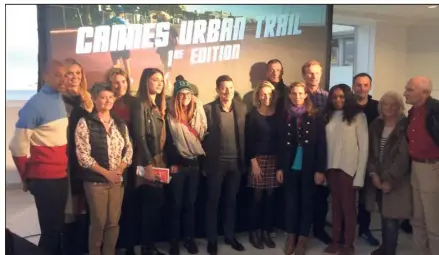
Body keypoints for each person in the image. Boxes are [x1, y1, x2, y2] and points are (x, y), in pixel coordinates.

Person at [9, 60, 69, 255]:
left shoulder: (58, 98)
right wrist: (26, 177)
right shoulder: (35, 105)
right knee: (51, 231)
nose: (62, 79)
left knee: (57, 227)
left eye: (64, 74)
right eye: (57, 75)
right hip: (45, 179)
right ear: (45, 76)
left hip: (59, 176)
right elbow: (17, 146)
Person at [75, 83, 133, 255]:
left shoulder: (120, 123)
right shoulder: (85, 123)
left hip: (117, 180)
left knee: (113, 222)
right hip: (96, 182)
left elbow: (128, 149)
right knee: (99, 222)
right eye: (103, 97)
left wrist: (120, 170)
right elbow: (83, 156)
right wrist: (107, 173)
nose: (107, 100)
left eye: (110, 97)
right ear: (94, 99)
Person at [276, 82, 327, 255]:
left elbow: (321, 144)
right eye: (293, 93)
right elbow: (280, 145)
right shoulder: (284, 116)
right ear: (289, 95)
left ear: (306, 95)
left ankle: (303, 238)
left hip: (309, 166)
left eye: (300, 93)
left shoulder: (315, 116)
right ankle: (291, 236)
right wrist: (280, 168)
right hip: (290, 166)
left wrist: (320, 170)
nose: (297, 96)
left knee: (307, 203)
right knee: (290, 204)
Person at [203, 75, 247, 255]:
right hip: (216, 164)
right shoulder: (207, 109)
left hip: (236, 163)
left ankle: (229, 235)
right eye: (223, 87)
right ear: (217, 90)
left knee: (231, 201)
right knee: (213, 202)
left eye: (230, 87)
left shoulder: (242, 108)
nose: (227, 91)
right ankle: (212, 239)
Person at [323, 84, 368, 255]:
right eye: (334, 97)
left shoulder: (358, 117)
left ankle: (348, 244)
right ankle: (335, 241)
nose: (338, 100)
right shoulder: (327, 116)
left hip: (349, 169)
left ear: (347, 97)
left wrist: (360, 177)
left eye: (341, 96)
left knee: (348, 209)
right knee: (335, 207)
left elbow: (364, 148)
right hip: (331, 168)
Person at [365, 91, 412, 255]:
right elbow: (369, 152)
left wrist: (390, 179)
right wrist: (373, 174)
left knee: (392, 216)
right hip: (377, 176)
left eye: (394, 104)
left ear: (400, 107)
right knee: (384, 214)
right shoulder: (375, 124)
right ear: (381, 106)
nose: (390, 107)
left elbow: (403, 156)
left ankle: (389, 250)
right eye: (386, 104)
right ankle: (385, 247)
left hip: (397, 179)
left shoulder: (405, 125)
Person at [165, 79, 208, 255]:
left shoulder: (199, 113)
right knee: (175, 205)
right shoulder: (169, 114)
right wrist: (173, 162)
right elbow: (167, 141)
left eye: (188, 94)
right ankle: (174, 241)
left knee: (190, 205)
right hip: (178, 166)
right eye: (181, 94)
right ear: (176, 96)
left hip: (194, 164)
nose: (185, 97)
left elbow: (203, 137)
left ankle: (189, 239)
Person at [132, 68, 168, 255]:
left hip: (160, 161)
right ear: (146, 81)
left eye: (161, 80)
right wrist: (147, 164)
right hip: (147, 161)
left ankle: (150, 246)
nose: (159, 83)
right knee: (148, 206)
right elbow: (139, 135)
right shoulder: (140, 104)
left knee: (156, 206)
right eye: (155, 80)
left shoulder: (158, 104)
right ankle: (147, 248)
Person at [403, 76, 439, 255]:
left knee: (433, 222)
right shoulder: (413, 112)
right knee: (417, 219)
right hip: (416, 167)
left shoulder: (436, 110)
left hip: (432, 168)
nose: (404, 93)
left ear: (424, 93)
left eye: (409, 90)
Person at [63, 58, 94, 255]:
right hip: (68, 160)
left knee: (85, 206)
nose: (74, 77)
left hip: (88, 159)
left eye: (77, 73)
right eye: (69, 73)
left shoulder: (88, 98)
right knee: (70, 209)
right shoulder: (59, 100)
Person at [245, 81, 280, 249]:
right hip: (257, 160)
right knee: (257, 199)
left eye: (270, 94)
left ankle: (266, 231)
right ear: (258, 95)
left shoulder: (278, 114)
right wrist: (254, 163)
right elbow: (249, 141)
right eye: (264, 94)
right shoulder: (252, 115)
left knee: (271, 199)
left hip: (274, 160)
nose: (267, 97)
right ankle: (254, 232)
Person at [107, 68, 137, 255]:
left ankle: (130, 245)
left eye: (123, 81)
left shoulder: (135, 103)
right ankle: (113, 246)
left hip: (131, 161)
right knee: (113, 209)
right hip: (110, 164)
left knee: (130, 206)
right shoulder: (106, 102)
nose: (120, 86)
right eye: (116, 82)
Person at [301, 60, 331, 244]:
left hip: (321, 149)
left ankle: (319, 229)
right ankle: (302, 231)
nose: (313, 76)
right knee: (302, 195)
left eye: (317, 73)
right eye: (310, 73)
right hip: (300, 153)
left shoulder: (328, 98)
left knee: (321, 195)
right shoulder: (297, 95)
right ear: (304, 75)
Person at [351, 72, 380, 246]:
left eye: (365, 85)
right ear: (353, 86)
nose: (362, 88)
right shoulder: (346, 106)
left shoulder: (377, 107)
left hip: (369, 158)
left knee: (365, 197)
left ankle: (364, 229)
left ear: (370, 86)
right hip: (349, 157)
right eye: (359, 85)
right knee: (347, 197)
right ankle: (345, 230)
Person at [106, 6, 133, 84]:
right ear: (122, 13)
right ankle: (129, 79)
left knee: (116, 64)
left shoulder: (109, 21)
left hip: (114, 44)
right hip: (124, 44)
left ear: (115, 12)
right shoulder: (125, 22)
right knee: (126, 64)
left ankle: (114, 79)